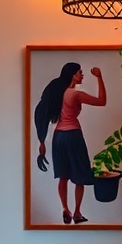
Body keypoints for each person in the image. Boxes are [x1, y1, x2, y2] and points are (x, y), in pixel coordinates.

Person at [34, 62, 106, 224]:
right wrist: (99, 78)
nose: (82, 75)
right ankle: (77, 212)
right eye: (80, 72)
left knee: (63, 176)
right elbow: (102, 101)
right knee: (79, 176)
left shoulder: (58, 92)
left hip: (58, 137)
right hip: (73, 135)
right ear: (73, 75)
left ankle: (65, 208)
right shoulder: (74, 94)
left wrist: (42, 141)